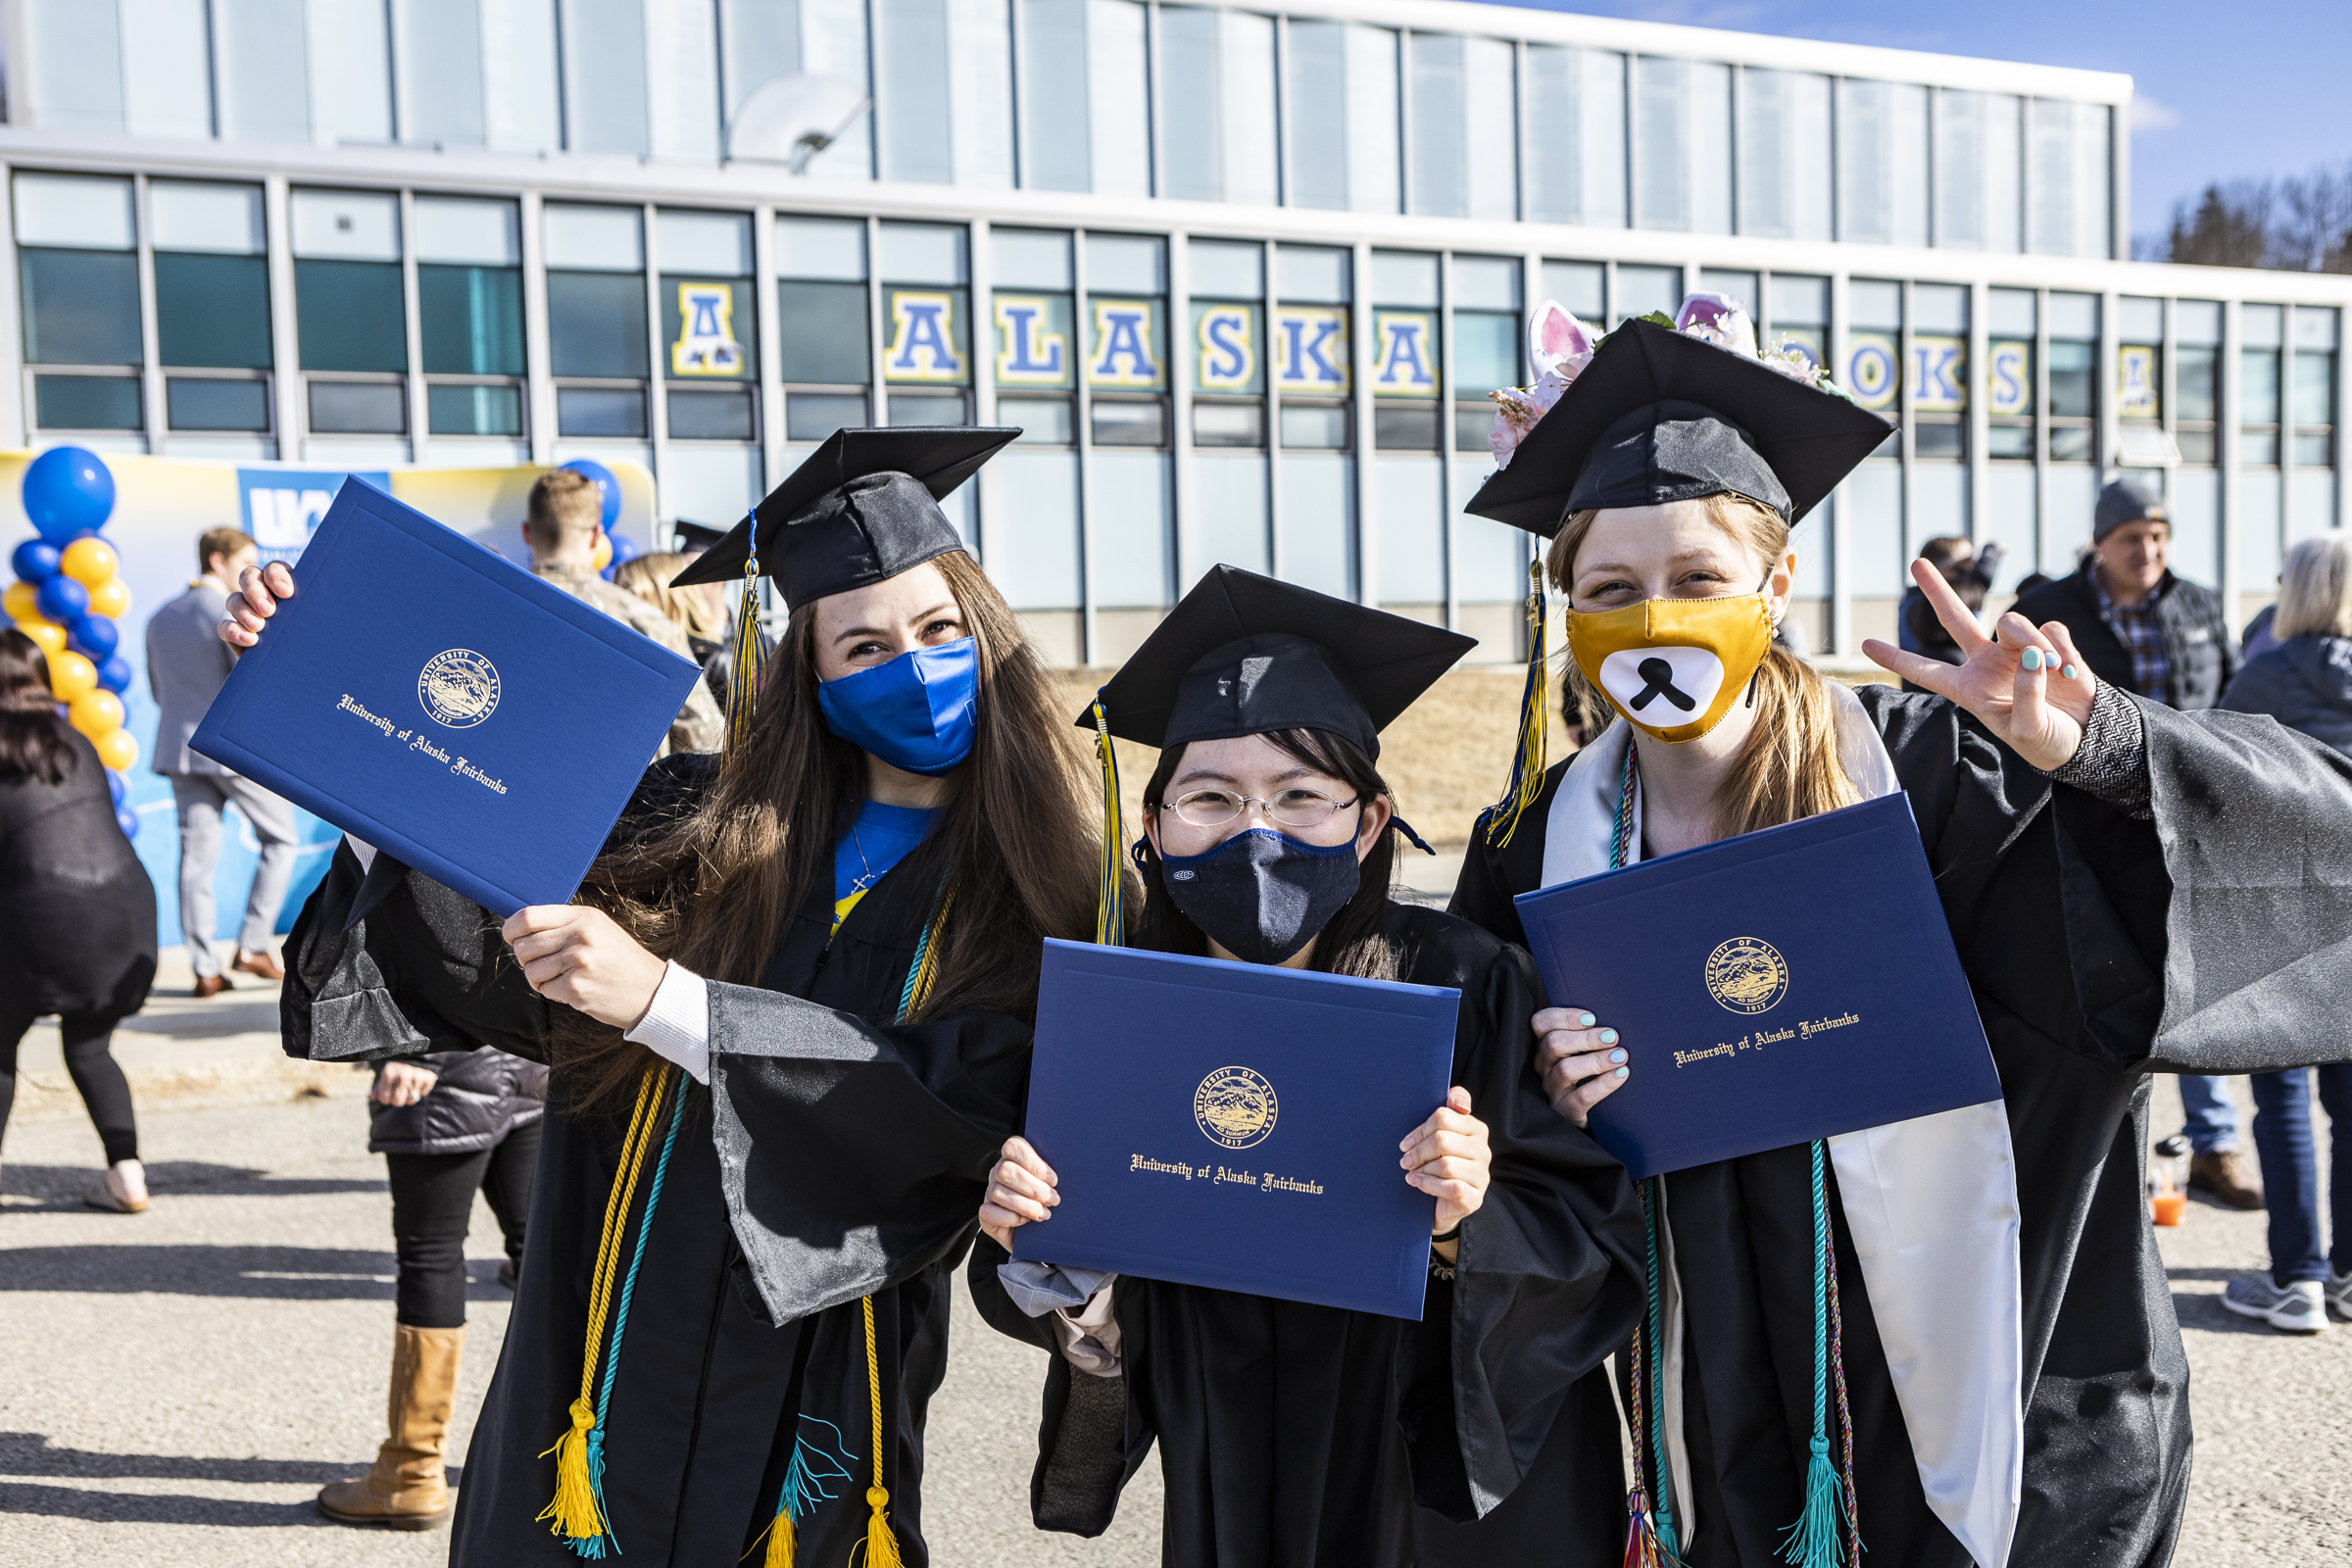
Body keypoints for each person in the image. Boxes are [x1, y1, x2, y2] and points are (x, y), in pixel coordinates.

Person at [1450, 301, 2352, 1568]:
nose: (1654, 620)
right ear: (1571, 611)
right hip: (1714, 1442)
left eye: (1698, 578)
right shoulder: (1532, 850)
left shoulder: (1937, 778)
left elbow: (2182, 934)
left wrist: (2092, 757)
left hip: (2003, 1435)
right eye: (1613, 589)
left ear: (1776, 584)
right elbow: (1485, 1189)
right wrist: (1555, 1112)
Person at [229, 427, 1104, 1566]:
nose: (914, 664)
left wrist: (668, 1005)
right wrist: (333, 715)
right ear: (818, 678)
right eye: (866, 644)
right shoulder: (696, 819)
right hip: (593, 1351)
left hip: (820, 1376)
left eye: (939, 631)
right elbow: (491, 953)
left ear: (987, 639)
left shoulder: (1044, 888)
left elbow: (963, 1098)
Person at [968, 566, 1645, 1567]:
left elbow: (1595, 1236)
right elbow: (1088, 1299)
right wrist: (1062, 1254)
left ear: (1368, 822)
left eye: (1301, 795)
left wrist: (1470, 1222)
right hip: (1238, 1477)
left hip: (1443, 1503)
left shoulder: (1466, 983)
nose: (1258, 830)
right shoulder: (1118, 1019)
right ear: (1153, 828)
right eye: (1209, 795)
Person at [2014, 478, 2256, 1210]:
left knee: (2206, 982)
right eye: (2130, 538)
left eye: (2157, 536)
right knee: (2107, 986)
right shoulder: (2051, 609)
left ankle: (2214, 1146)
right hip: (2088, 828)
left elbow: (2234, 693)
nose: (2147, 551)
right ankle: (2107, 1162)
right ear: (2100, 542)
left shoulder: (2198, 602)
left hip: (2191, 820)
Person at [316, 1047, 545, 1528]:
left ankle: (411, 1473)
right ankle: (570, 1453)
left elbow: (430, 966)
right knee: (541, 1253)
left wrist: (412, 1049)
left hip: (437, 1066)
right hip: (523, 1056)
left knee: (432, 1258)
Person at [2214, 533, 2352, 1332]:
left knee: (2284, 1097)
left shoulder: (2267, 674)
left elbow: (2223, 784)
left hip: (2288, 909)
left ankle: (2297, 1277)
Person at [0, 627, 157, 1212]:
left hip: (48, 910)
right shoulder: (74, 738)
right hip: (125, 908)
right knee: (89, 1046)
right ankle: (128, 1175)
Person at [146, 526, 300, 998]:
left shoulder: (158, 618)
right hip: (230, 749)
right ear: (217, 560)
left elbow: (158, 692)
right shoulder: (227, 613)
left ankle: (204, 969)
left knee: (195, 863)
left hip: (179, 751)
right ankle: (252, 944)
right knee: (282, 840)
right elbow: (249, 680)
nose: (248, 570)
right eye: (244, 560)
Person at [521, 468, 724, 759]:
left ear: (527, 532)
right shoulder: (644, 622)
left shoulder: (487, 610)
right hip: (626, 801)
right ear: (596, 538)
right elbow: (707, 743)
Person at [613, 549, 741, 710]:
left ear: (665, 593)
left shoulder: (716, 662)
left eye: (629, 590)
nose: (620, 600)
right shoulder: (636, 660)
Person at [1896, 536, 2002, 687]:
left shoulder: (1911, 599)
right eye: (1966, 564)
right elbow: (1982, 578)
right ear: (1949, 570)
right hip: (1936, 681)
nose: (1971, 570)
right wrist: (1993, 550)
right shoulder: (1925, 604)